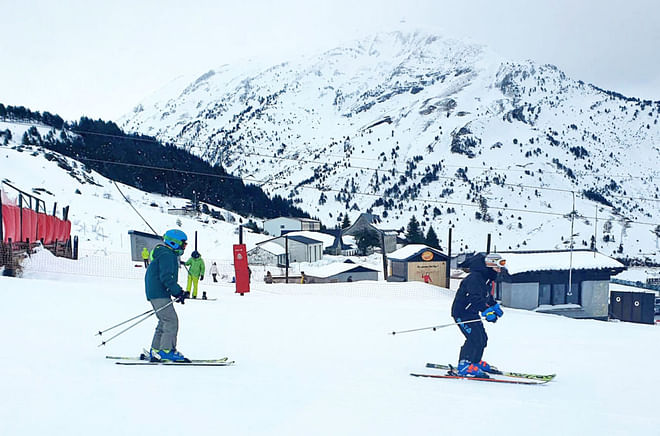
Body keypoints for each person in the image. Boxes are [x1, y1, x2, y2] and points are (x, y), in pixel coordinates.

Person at [450, 252, 505, 378]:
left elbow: (486, 296)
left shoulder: (487, 279)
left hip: (472, 312)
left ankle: (475, 361)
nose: (499, 270)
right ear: (490, 266)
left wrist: (493, 305)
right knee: (473, 338)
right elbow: (475, 299)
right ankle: (464, 365)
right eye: (498, 266)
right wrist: (486, 311)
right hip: (462, 313)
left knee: (482, 338)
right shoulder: (474, 278)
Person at [145, 229, 190, 362]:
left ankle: (156, 349)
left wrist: (175, 292)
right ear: (174, 243)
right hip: (159, 292)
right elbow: (166, 277)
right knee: (171, 321)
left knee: (163, 321)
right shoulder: (167, 254)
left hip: (155, 291)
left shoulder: (164, 252)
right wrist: (177, 291)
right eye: (183, 244)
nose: (184, 247)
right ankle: (166, 350)